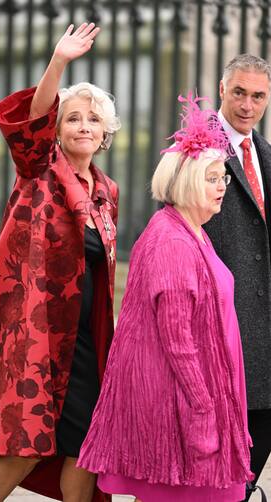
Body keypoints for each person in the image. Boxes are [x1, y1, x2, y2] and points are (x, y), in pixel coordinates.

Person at [0, 23, 120, 502]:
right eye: (74, 118)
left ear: (105, 135)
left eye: (93, 121)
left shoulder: (106, 193)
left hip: (85, 341)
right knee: (29, 442)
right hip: (37, 336)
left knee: (84, 443)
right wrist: (59, 62)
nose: (84, 126)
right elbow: (33, 119)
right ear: (56, 130)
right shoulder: (40, 168)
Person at [77, 93, 253, 502]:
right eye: (212, 178)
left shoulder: (192, 231)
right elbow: (177, 340)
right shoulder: (170, 240)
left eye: (222, 178)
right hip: (182, 406)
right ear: (188, 181)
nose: (221, 187)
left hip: (201, 397)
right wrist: (204, 410)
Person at [203, 54, 271, 500]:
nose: (248, 104)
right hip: (222, 317)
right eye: (240, 92)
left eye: (258, 95)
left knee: (262, 425)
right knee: (221, 440)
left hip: (264, 323)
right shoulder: (194, 148)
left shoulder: (265, 154)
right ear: (223, 91)